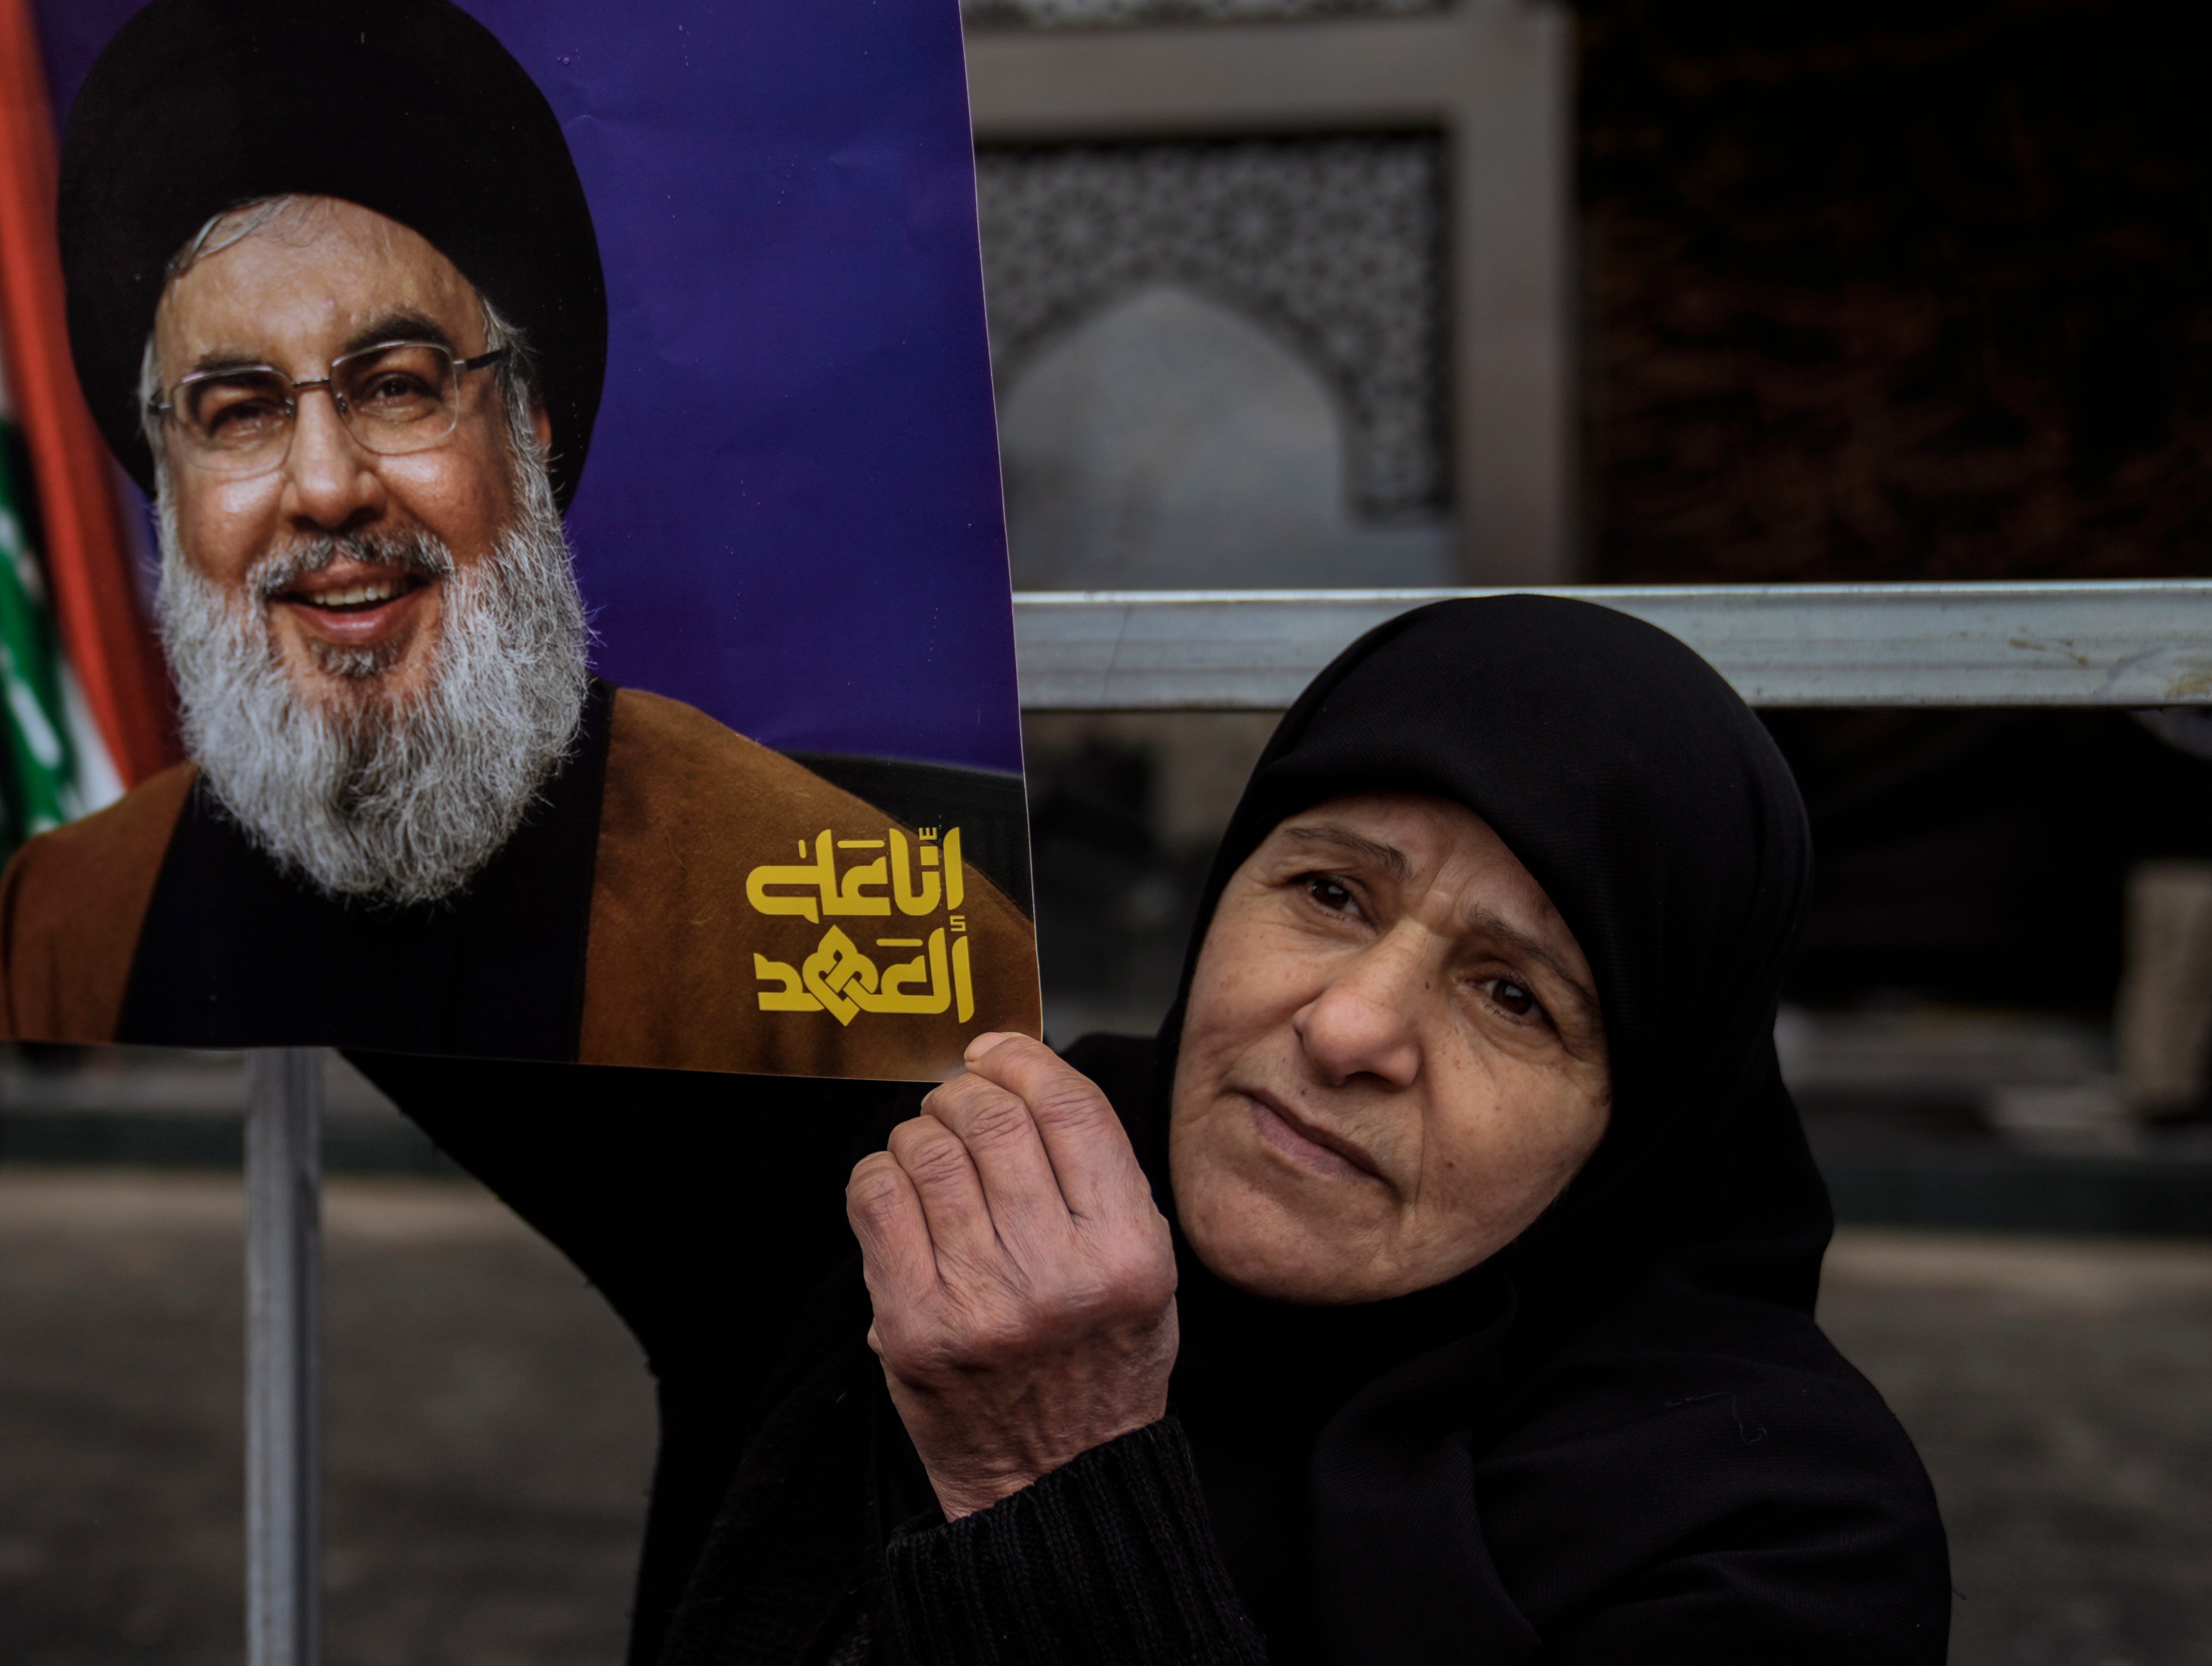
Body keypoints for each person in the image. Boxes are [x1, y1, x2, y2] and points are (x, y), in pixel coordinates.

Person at [0, 0, 1037, 1080]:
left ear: (530, 431)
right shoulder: (62, 921)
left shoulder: (846, 919)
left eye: (402, 383)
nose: (328, 484)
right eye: (238, 410)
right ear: (166, 483)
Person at [338, 594, 1952, 1662]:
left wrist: (1060, 1481)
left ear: (1643, 1116)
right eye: (1329, 892)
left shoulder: (1774, 1537)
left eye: (1514, 998)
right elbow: (383, 863)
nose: (1352, 1026)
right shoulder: (931, 1189)